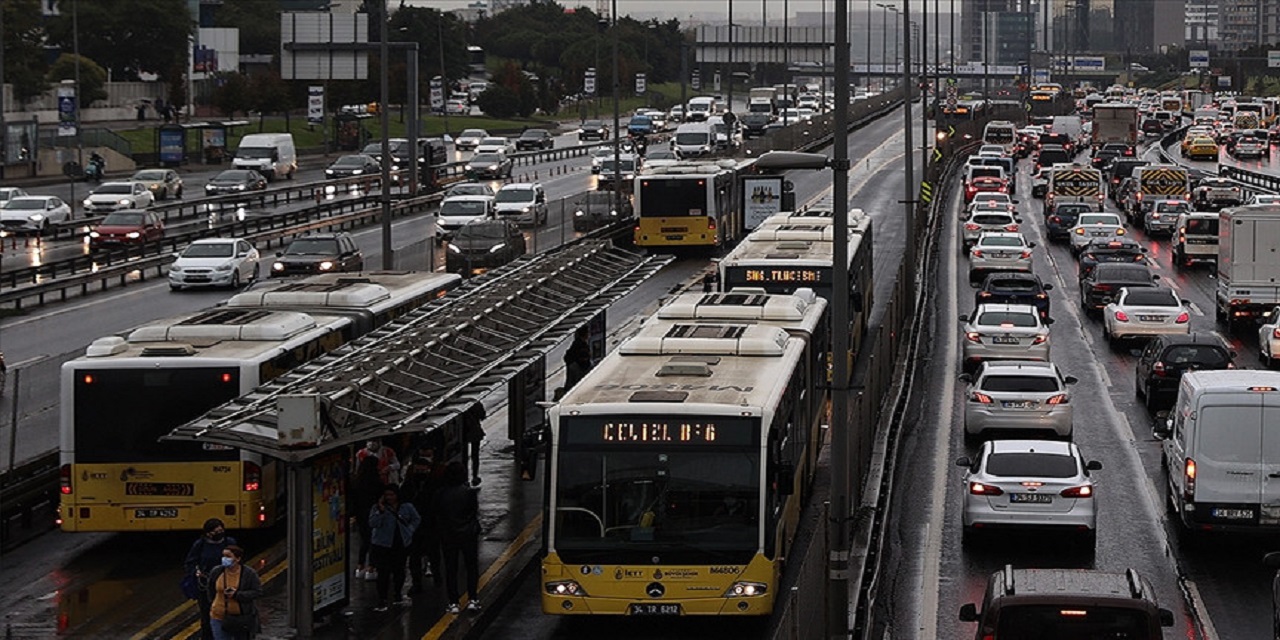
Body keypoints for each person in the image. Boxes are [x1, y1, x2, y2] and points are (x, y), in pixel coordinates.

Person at [433, 462, 482, 614]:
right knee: (471, 567)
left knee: (450, 568)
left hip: (448, 535)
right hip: (467, 534)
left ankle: (453, 602)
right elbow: (473, 512)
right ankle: (472, 599)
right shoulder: (468, 492)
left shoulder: (440, 493)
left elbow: (437, 513)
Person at [367, 485, 421, 612]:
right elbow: (373, 523)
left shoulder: (406, 507)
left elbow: (416, 518)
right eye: (387, 495)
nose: (389, 498)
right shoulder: (377, 508)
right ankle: (382, 598)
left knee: (399, 570)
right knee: (383, 573)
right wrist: (380, 512)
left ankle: (397, 594)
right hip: (382, 544)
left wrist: (410, 531)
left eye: (392, 495)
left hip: (400, 543)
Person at [184, 518, 237, 640]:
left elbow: (237, 561)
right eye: (214, 531)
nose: (218, 534)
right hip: (206, 585)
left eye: (220, 530)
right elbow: (190, 563)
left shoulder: (229, 542)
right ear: (208, 533)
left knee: (227, 612)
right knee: (207, 614)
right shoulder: (200, 544)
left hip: (226, 583)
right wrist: (196, 572)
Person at [402, 445, 443, 593]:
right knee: (415, 557)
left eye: (423, 469)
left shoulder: (433, 485)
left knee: (433, 554)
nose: (420, 472)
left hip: (430, 524)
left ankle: (437, 577)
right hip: (415, 527)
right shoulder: (409, 485)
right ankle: (417, 583)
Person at [206, 545, 262, 640]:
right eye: (223, 556)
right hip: (218, 616)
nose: (224, 559)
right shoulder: (217, 571)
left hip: (241, 619)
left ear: (238, 558)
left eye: (228, 556)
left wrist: (237, 595)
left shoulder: (249, 573)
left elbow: (257, 592)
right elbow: (210, 589)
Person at [350, 454, 382, 581]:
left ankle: (360, 566)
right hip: (373, 514)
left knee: (364, 540)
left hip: (360, 514)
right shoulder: (377, 483)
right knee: (374, 541)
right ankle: (372, 567)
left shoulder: (356, 482)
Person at [462, 403, 486, 486]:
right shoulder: (477, 404)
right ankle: (475, 476)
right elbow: (483, 416)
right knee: (475, 455)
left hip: (463, 433)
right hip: (475, 431)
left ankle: (465, 477)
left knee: (464, 456)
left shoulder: (462, 405)